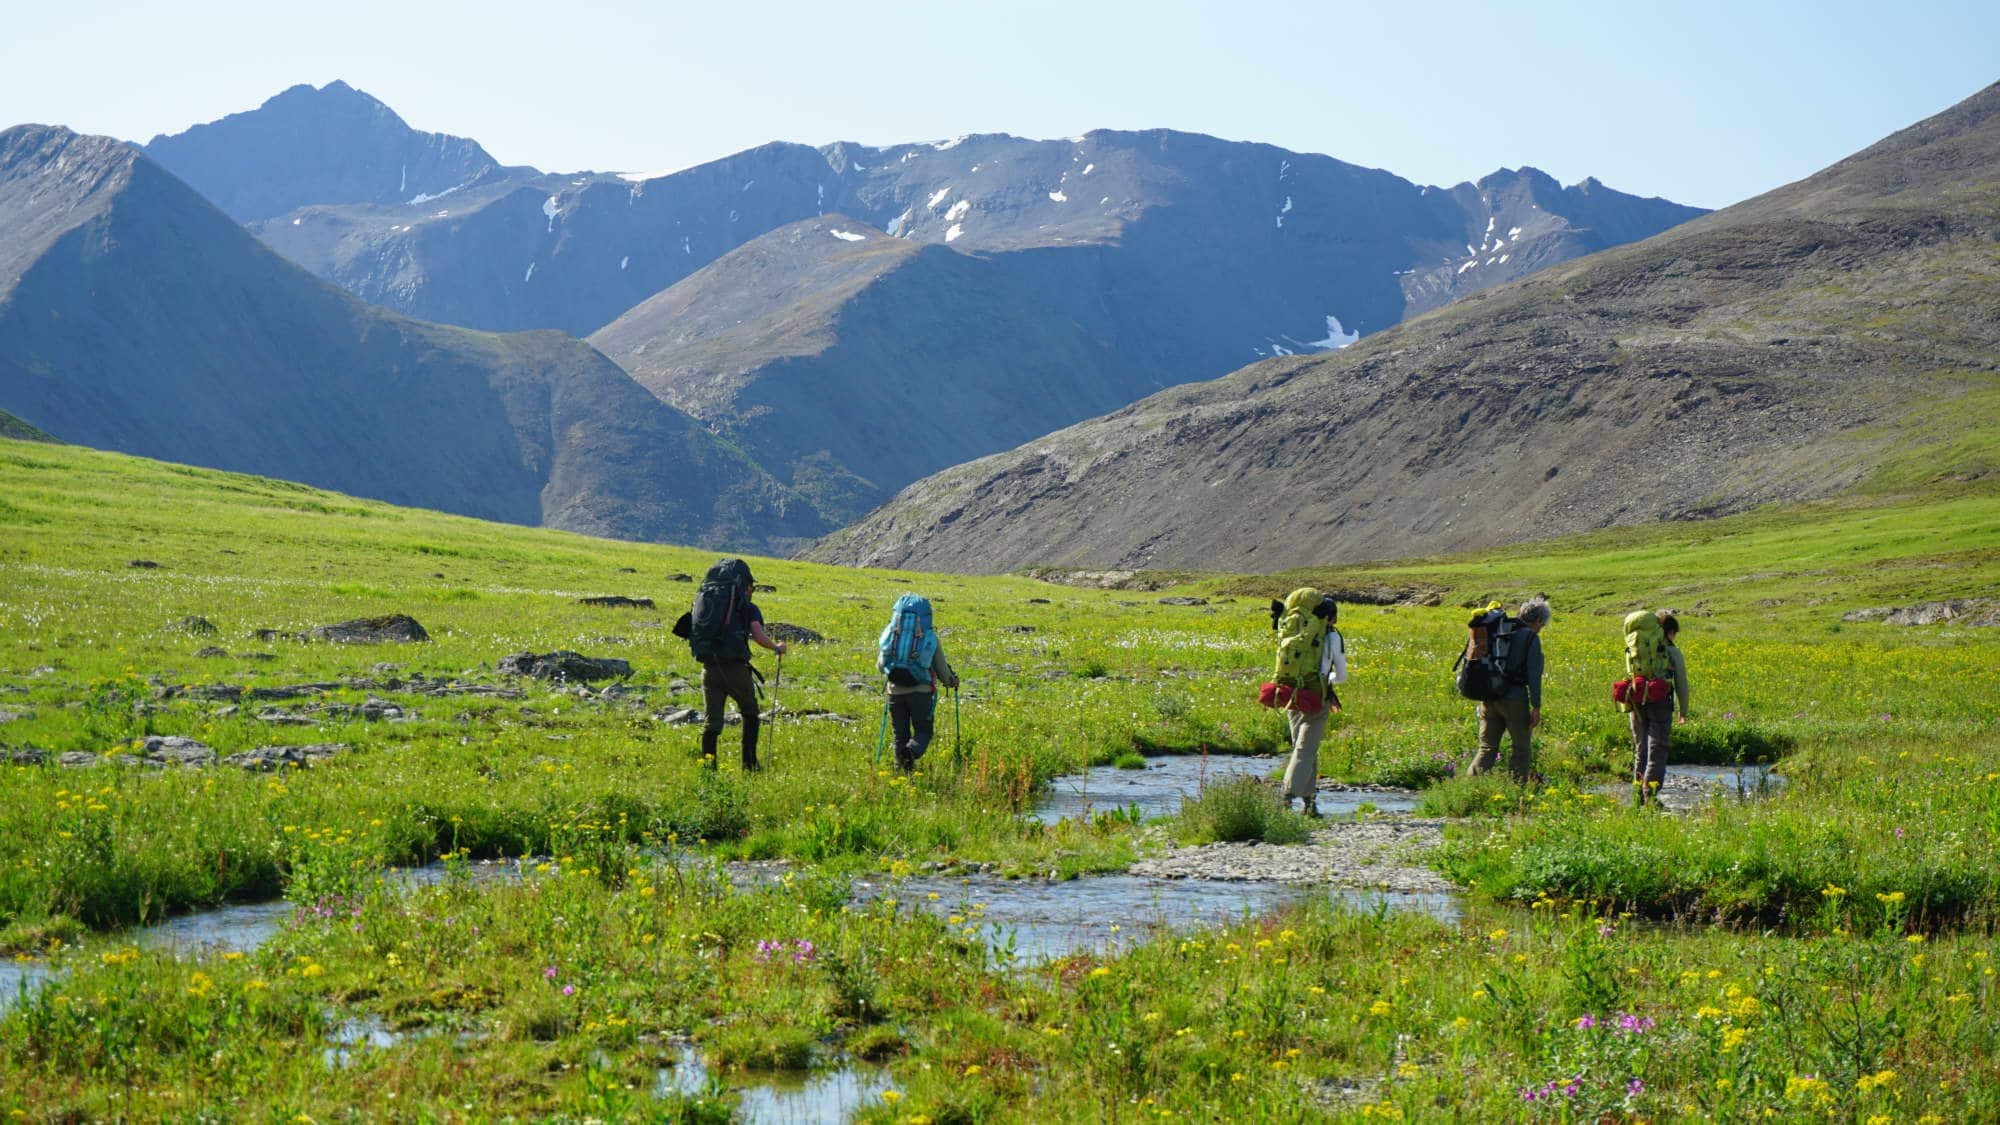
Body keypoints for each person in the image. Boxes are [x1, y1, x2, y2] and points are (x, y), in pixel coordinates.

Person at [678, 558, 787, 771]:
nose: (752, 590)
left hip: (709, 668)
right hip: (736, 668)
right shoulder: (747, 607)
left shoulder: (706, 599)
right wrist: (776, 648)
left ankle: (709, 770)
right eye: (752, 586)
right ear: (745, 585)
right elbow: (757, 634)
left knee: (712, 723)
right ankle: (749, 765)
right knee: (750, 713)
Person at [1464, 597, 1549, 784]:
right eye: (1542, 625)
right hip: (1515, 700)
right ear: (1538, 621)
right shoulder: (1530, 637)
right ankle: (1516, 791)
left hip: (1489, 696)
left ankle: (1470, 788)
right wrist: (1536, 706)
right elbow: (1534, 675)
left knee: (1487, 748)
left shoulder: (1500, 630)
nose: (1541, 629)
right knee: (1521, 749)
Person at [1278, 594, 1345, 817]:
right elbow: (1341, 676)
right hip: (1317, 697)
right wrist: (1330, 677)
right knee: (1306, 749)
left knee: (1303, 747)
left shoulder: (1296, 632)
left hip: (1292, 695)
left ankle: (1309, 804)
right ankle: (1286, 798)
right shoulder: (1332, 637)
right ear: (1331, 618)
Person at [881, 595, 958, 772]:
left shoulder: (890, 634)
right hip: (921, 693)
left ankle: (902, 772)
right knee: (923, 732)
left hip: (894, 692)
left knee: (900, 735)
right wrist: (951, 681)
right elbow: (942, 670)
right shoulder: (930, 637)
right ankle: (911, 752)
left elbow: (880, 665)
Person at [1632, 611, 1693, 805]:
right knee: (1657, 749)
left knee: (1641, 749)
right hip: (1660, 703)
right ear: (1671, 632)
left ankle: (1637, 794)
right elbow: (1681, 682)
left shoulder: (1639, 648)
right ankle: (1650, 796)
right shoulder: (1671, 652)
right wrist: (1683, 711)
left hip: (1636, 701)